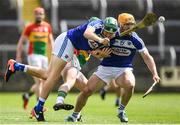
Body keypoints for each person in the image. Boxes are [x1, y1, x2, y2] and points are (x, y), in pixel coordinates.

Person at [4, 17, 118, 121]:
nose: (108, 34)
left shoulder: (107, 38)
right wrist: (100, 40)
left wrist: (101, 54)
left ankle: (16, 66)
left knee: (53, 77)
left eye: (111, 32)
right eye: (107, 30)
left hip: (71, 46)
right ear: (103, 26)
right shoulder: (97, 24)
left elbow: (94, 52)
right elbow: (87, 33)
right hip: (68, 40)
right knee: (52, 77)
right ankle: (39, 108)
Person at [65, 13, 160, 123]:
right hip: (106, 67)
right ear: (120, 24)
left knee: (130, 84)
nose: (130, 27)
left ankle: (121, 110)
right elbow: (93, 50)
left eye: (132, 24)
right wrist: (100, 54)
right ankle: (74, 115)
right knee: (87, 90)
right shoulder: (110, 34)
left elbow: (147, 57)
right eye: (127, 24)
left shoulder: (136, 40)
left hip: (124, 69)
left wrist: (155, 73)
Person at [13, 7, 54, 109]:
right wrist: (18, 55)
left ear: (43, 15)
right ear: (34, 15)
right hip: (33, 55)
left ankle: (27, 95)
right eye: (37, 14)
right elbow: (21, 42)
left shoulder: (47, 26)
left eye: (41, 14)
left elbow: (51, 42)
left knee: (44, 80)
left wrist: (54, 55)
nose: (39, 15)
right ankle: (38, 107)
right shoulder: (29, 27)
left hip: (44, 57)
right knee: (39, 81)